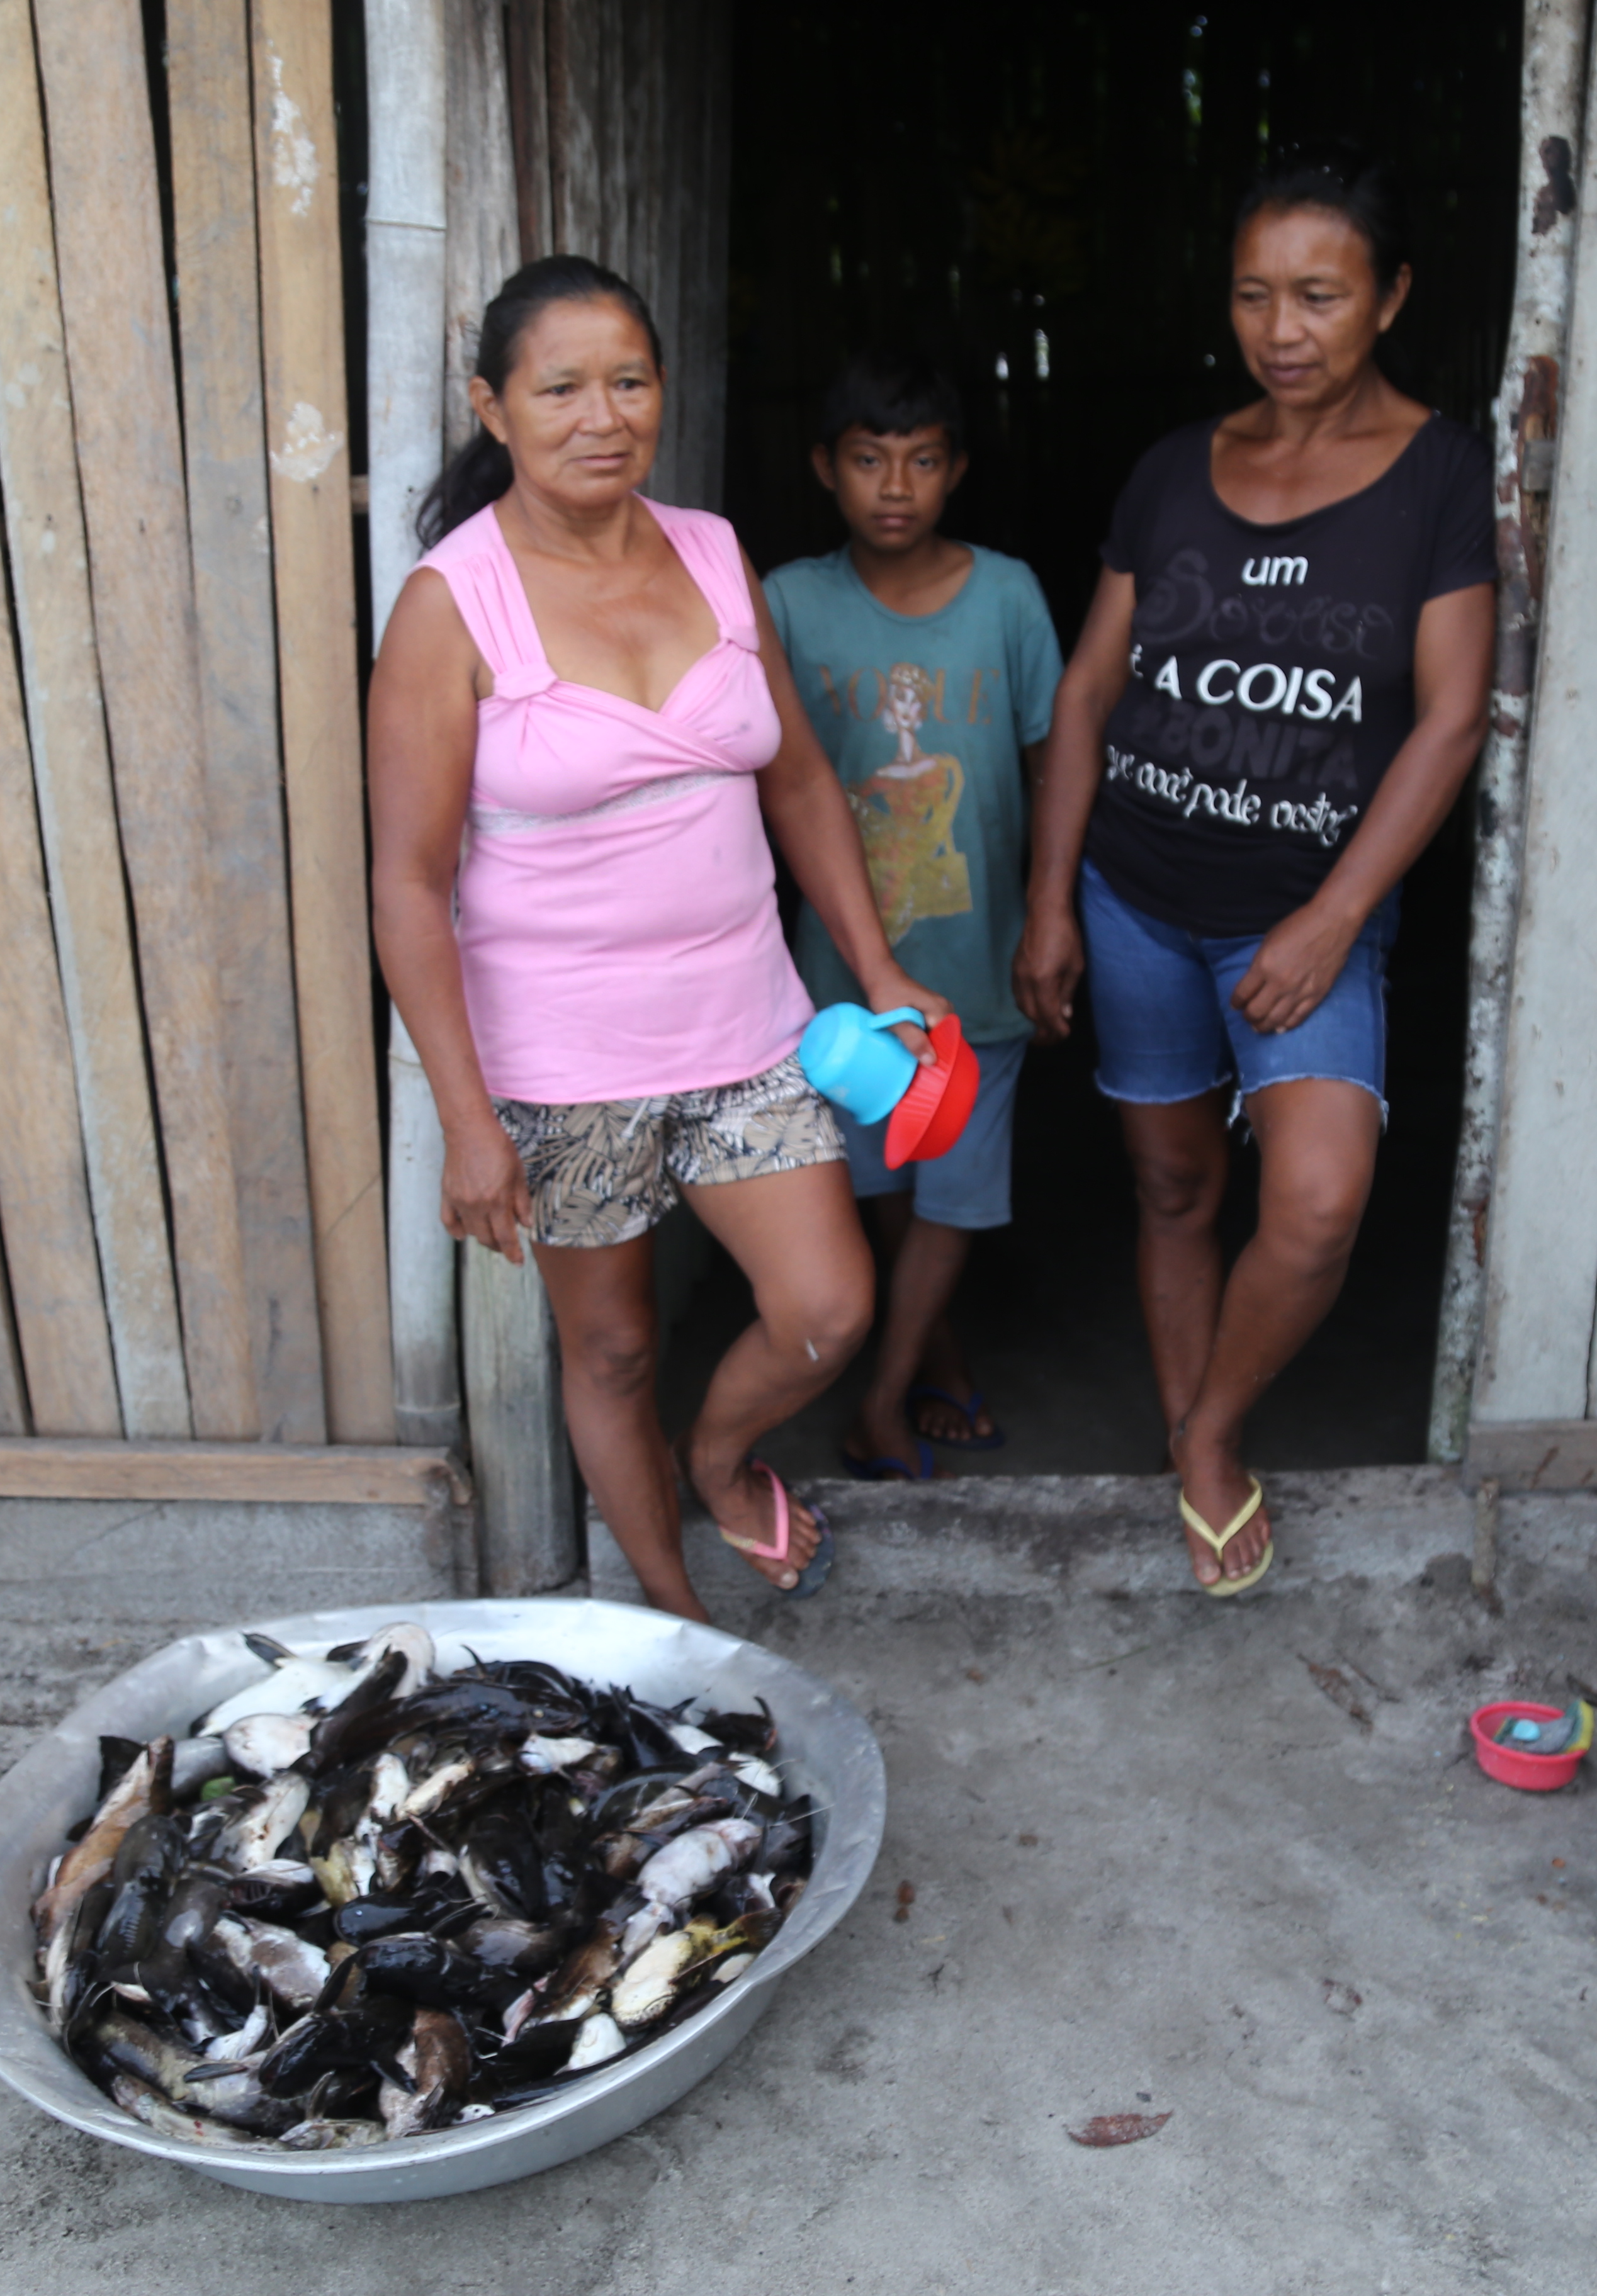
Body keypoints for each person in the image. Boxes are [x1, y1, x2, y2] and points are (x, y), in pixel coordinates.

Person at [368, 256, 952, 1621]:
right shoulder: (452, 606)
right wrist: (466, 1117)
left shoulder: (708, 550)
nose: (602, 414)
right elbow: (406, 881)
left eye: (628, 381)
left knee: (827, 1307)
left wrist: (874, 970)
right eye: (559, 387)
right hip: (563, 1064)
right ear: (493, 408)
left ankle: (720, 1455)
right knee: (614, 1348)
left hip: (746, 1029)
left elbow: (798, 776)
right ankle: (675, 1619)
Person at [1013, 147, 1493, 1597]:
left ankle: (1214, 1431)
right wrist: (1050, 900)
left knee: (1319, 1200)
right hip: (1136, 891)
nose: (1284, 329)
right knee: (1171, 1188)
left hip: (1303, 920)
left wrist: (1335, 916)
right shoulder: (1174, 470)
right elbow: (1092, 693)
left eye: (1322, 295)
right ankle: (1187, 1433)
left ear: (1392, 297)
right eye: (1255, 295)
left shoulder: (1442, 477)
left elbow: (1454, 713)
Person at [765, 352, 1064, 1482]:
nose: (896, 487)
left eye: (924, 461)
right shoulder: (789, 604)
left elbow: (1051, 765)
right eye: (868, 461)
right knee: (883, 1183)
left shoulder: (1008, 597)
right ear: (825, 470)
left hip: (977, 971)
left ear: (958, 472)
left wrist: (1050, 916)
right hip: (838, 980)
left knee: (957, 1198)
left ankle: (883, 1400)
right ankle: (932, 1350)